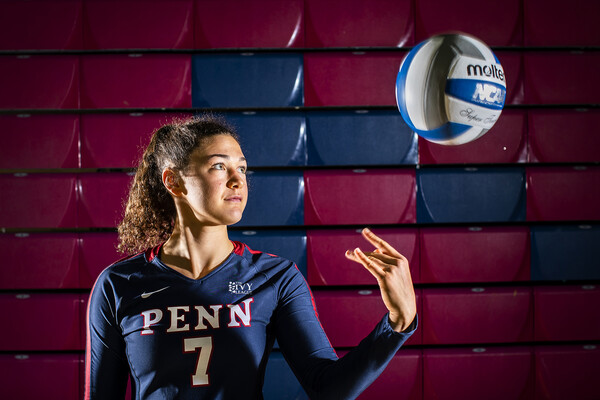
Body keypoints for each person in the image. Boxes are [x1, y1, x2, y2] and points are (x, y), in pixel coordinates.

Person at [85, 114, 417, 399]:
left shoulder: (275, 277)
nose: (237, 180)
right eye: (218, 166)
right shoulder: (118, 285)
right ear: (174, 182)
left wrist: (396, 324)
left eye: (242, 168)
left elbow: (327, 387)